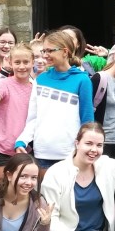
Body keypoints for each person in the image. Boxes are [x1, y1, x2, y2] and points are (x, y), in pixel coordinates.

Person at [15, 30, 94, 183]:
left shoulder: (82, 80)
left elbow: (87, 122)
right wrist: (22, 140)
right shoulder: (41, 79)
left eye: (50, 51)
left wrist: (84, 150)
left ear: (65, 52)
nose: (45, 55)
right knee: (45, 201)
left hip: (70, 154)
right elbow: (33, 117)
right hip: (43, 153)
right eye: (44, 51)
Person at [0, 43, 36, 182]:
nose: (22, 66)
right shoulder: (3, 84)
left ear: (32, 61)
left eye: (26, 62)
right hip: (1, 149)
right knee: (1, 193)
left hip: (25, 149)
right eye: (17, 62)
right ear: (10, 62)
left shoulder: (36, 88)